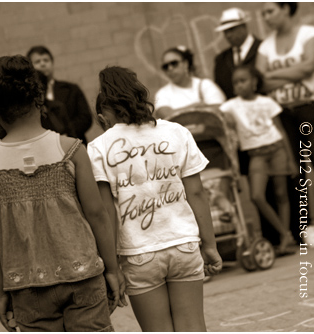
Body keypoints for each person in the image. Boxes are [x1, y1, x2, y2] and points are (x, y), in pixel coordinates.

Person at [0, 55, 126, 332]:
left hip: (26, 288)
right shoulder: (72, 150)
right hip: (84, 277)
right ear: (39, 98)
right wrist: (113, 270)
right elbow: (97, 215)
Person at [88, 66, 222, 332]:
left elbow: (105, 213)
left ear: (104, 114)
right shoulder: (176, 132)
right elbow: (196, 192)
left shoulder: (99, 148)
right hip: (184, 243)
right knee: (193, 326)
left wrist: (112, 269)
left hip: (139, 254)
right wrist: (209, 244)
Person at [256, 2, 314, 247]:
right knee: (296, 169)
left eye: (270, 11)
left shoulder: (309, 34)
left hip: (310, 107)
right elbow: (260, 82)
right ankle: (305, 228)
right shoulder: (266, 46)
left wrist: (274, 75)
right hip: (283, 112)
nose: (266, 17)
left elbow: (309, 68)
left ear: (286, 8)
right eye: (263, 13)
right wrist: (294, 72)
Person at [219, 65, 297, 255]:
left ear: (254, 82)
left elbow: (281, 131)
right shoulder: (230, 106)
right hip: (256, 154)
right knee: (256, 196)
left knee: (281, 195)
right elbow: (219, 115)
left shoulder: (267, 102)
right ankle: (284, 233)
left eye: (243, 81)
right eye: (235, 82)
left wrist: (292, 160)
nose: (239, 85)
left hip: (277, 149)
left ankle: (285, 241)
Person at [0, 45, 93, 146]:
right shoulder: (21, 98)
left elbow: (85, 117)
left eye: (46, 60)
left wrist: (63, 136)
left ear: (52, 62)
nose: (42, 64)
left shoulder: (71, 89)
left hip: (71, 141)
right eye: (37, 61)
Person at [155, 46, 226, 119]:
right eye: (165, 66)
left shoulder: (205, 84)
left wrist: (179, 112)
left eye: (174, 63)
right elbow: (166, 115)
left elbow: (219, 110)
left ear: (186, 63)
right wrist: (197, 106)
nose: (170, 68)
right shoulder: (162, 93)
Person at [214, 7, 262, 100]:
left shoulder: (263, 48)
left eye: (232, 29)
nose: (228, 35)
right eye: (225, 31)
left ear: (244, 26)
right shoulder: (221, 59)